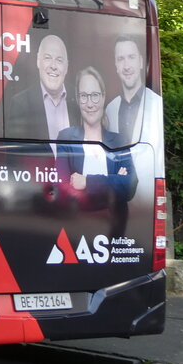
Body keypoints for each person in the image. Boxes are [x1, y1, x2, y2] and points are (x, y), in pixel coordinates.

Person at [56, 67, 137, 238]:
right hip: (77, 230)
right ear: (78, 99)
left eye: (95, 95)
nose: (90, 103)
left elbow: (130, 186)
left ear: (103, 96)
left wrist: (86, 181)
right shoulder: (65, 138)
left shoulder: (119, 141)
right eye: (84, 96)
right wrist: (114, 181)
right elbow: (64, 189)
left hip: (114, 232)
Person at [104, 33, 165, 178]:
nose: (126, 66)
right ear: (116, 66)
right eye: (121, 59)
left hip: (148, 190)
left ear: (141, 62)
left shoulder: (156, 104)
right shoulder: (110, 109)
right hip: (119, 190)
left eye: (131, 57)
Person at [8, 33, 77, 140]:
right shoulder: (21, 103)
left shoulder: (79, 99)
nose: (53, 66)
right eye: (47, 58)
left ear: (66, 67)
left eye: (59, 60)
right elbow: (15, 154)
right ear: (38, 61)